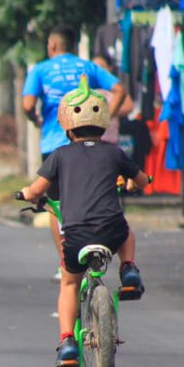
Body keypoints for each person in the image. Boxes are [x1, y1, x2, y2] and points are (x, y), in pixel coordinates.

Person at [18, 76, 148, 367]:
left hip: (76, 235)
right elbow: (140, 179)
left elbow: (37, 191)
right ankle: (129, 271)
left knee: (69, 283)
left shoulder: (59, 155)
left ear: (66, 123)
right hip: (110, 229)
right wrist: (135, 182)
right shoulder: (114, 152)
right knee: (126, 232)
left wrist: (26, 193)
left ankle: (67, 344)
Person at [22, 27, 127, 274]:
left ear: (52, 46)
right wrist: (104, 119)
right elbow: (120, 90)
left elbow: (27, 104)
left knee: (57, 205)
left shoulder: (41, 69)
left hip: (54, 145)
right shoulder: (88, 68)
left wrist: (35, 118)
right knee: (94, 197)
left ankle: (66, 264)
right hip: (92, 144)